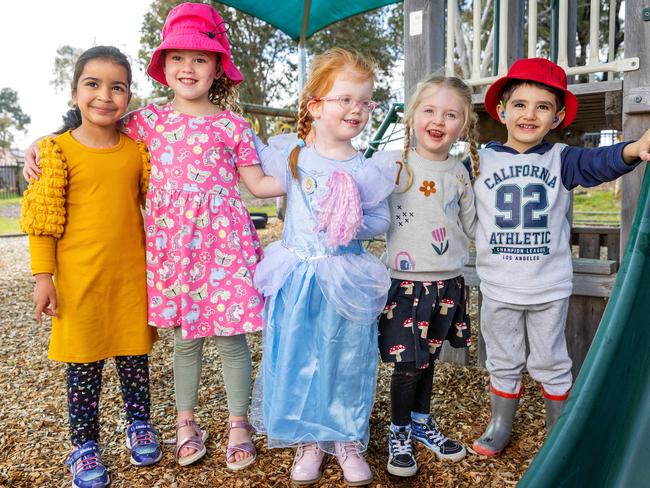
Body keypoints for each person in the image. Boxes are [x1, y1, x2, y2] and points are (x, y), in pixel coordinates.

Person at [23, 2, 283, 469]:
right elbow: (89, 128)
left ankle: (238, 423)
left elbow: (259, 182)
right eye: (178, 57)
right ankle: (186, 422)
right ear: (163, 66)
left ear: (217, 67)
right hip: (175, 249)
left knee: (231, 338)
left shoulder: (233, 126)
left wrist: (308, 173)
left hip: (224, 248)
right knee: (184, 337)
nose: (188, 67)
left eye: (200, 58)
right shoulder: (146, 122)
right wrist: (37, 144)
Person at [471, 57, 650, 457]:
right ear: (502, 111)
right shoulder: (479, 160)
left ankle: (559, 426)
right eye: (520, 104)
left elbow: (598, 163)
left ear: (557, 118)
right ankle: (500, 423)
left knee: (552, 359)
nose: (529, 114)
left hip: (547, 285)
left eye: (542, 107)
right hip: (498, 285)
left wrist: (635, 149)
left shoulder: (562, 159)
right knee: (503, 357)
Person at [250, 48, 395, 487]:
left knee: (347, 356)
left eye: (365, 102)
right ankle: (308, 438)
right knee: (297, 354)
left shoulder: (364, 166)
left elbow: (381, 219)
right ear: (315, 106)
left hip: (344, 273)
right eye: (345, 99)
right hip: (298, 275)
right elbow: (256, 184)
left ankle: (345, 436)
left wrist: (354, 218)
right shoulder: (294, 157)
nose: (357, 110)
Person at [20, 46, 161, 488]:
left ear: (129, 95)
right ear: (74, 90)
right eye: (93, 84)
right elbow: (42, 223)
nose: (105, 95)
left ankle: (139, 423)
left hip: (129, 282)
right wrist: (44, 278)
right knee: (83, 371)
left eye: (117, 87)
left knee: (135, 363)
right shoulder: (54, 152)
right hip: (79, 284)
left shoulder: (137, 151)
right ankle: (83, 446)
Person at [377, 75, 479, 477]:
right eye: (430, 110)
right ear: (412, 116)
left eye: (450, 114)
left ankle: (421, 423)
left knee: (427, 359)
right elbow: (365, 210)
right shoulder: (393, 166)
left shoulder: (460, 172)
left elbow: (473, 225)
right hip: (404, 284)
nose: (438, 120)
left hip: (448, 283)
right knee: (408, 365)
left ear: (463, 125)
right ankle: (398, 431)